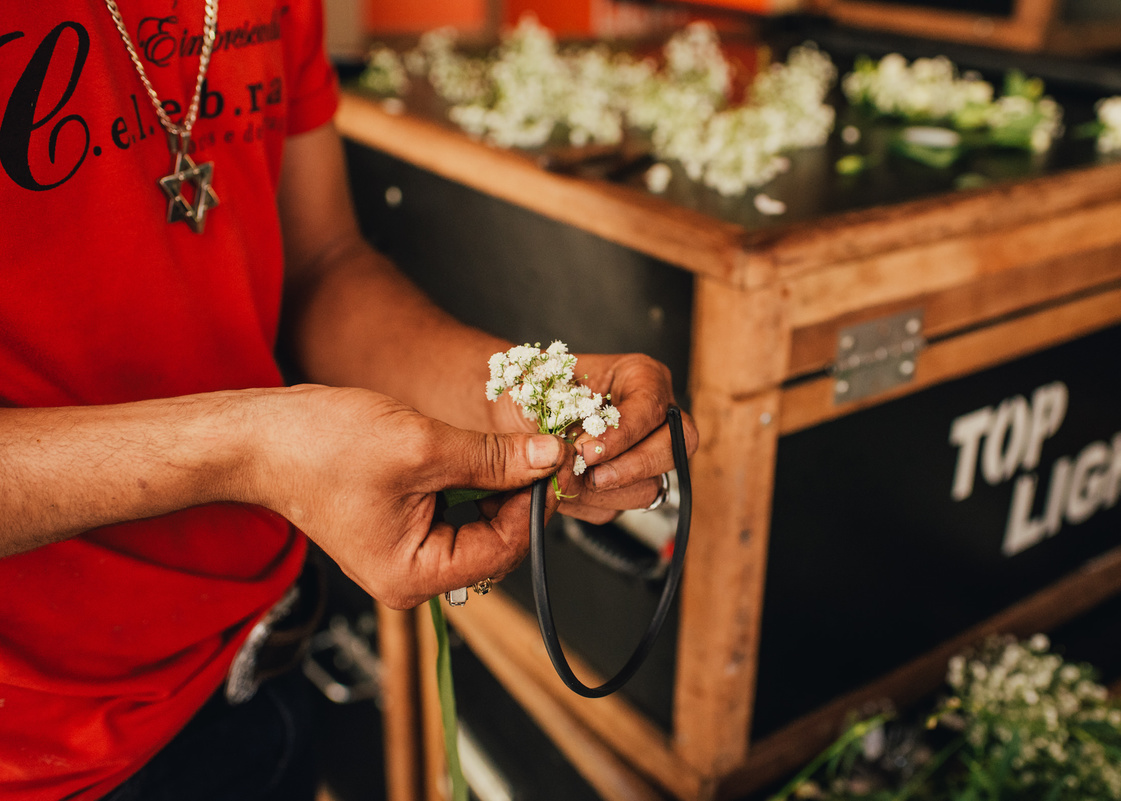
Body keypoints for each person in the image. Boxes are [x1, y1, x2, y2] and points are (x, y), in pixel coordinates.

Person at [0, 2, 697, 799]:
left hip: (258, 657)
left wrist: (509, 391)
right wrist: (252, 451)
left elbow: (322, 265)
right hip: (44, 750)